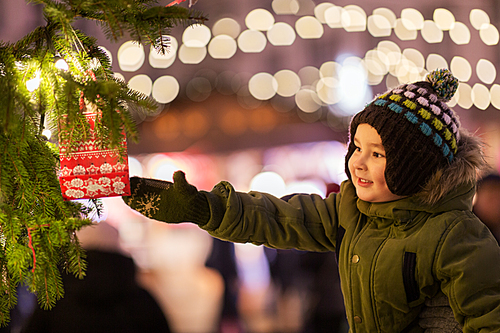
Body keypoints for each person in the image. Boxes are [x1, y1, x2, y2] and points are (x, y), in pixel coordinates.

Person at [122, 69, 500, 332]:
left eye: (379, 154)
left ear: (414, 166)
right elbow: (276, 217)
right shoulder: (351, 212)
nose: (358, 163)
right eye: (357, 148)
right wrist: (204, 207)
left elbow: (490, 315)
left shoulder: (455, 235)